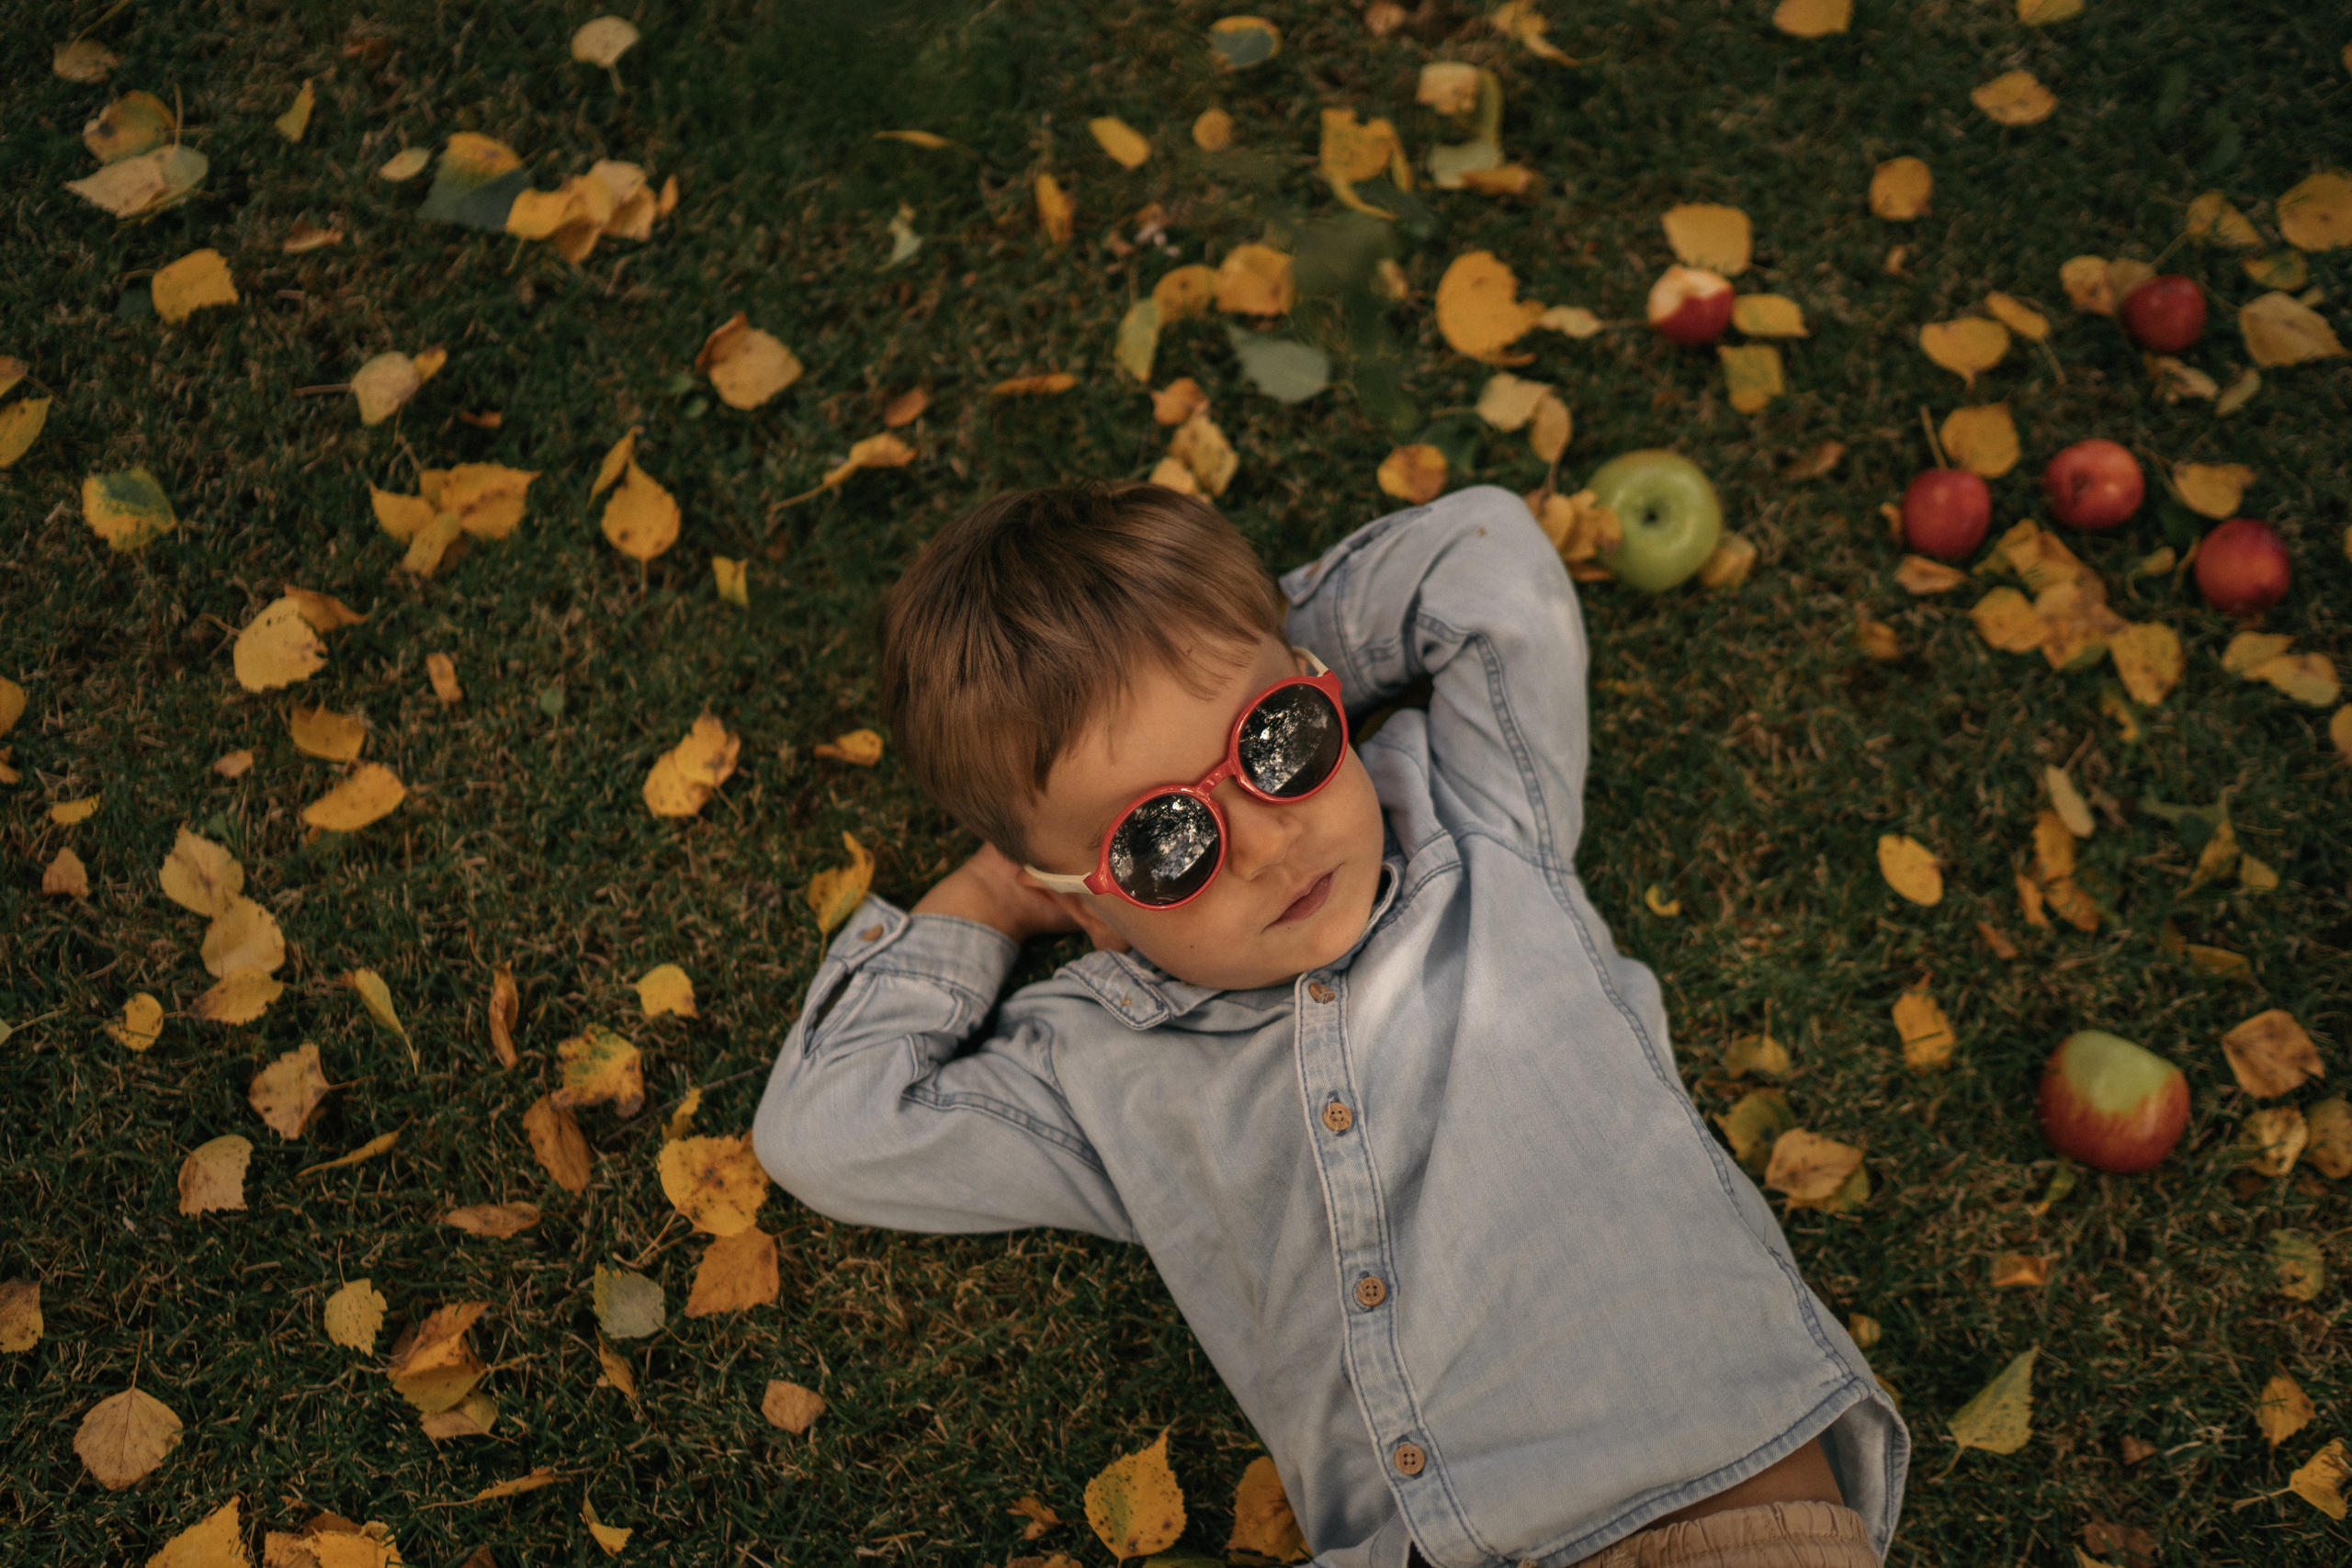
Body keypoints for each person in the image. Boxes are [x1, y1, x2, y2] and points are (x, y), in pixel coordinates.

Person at [751, 479, 1907, 1568]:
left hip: (1715, 1502)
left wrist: (1221, 626)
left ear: (1321, 691)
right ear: (1084, 903)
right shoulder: (1095, 1067)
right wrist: (992, 901)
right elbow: (831, 1128)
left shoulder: (1477, 820)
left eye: (1278, 742)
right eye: (1163, 842)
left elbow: (1486, 555)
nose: (1265, 842)